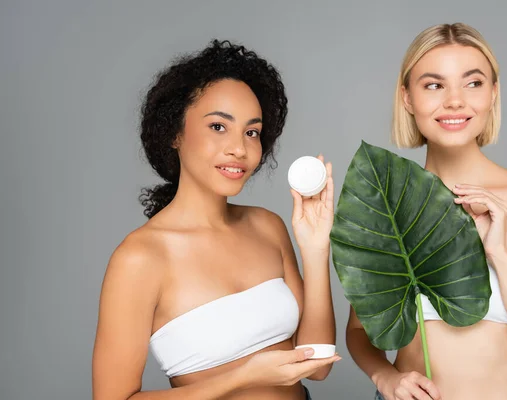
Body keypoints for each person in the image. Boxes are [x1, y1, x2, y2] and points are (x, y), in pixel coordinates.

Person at [345, 23, 507, 400]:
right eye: (433, 85)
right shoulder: (388, 208)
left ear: (493, 93)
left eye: (473, 83)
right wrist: (385, 377)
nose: (455, 101)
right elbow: (361, 332)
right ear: (407, 98)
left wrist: (500, 258)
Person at [92, 39, 340, 400]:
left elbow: (318, 367)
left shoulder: (268, 227)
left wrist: (316, 250)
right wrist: (241, 377)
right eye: (218, 127)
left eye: (251, 132)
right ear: (174, 134)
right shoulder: (139, 258)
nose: (239, 148)